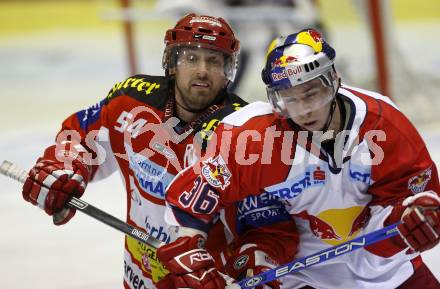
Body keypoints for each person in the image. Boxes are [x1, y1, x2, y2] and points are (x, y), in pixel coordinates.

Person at [20, 13, 297, 289]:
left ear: (228, 70)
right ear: (172, 62)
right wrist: (63, 166)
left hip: (205, 280)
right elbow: (81, 136)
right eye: (191, 58)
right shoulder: (130, 100)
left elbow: (268, 225)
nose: (202, 69)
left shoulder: (246, 131)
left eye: (213, 60)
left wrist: (253, 266)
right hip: (138, 276)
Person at [158, 28, 440, 289]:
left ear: (333, 81)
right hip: (299, 276)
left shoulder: (383, 125)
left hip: (387, 271)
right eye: (289, 99)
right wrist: (188, 243)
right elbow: (193, 199)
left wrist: (412, 219)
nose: (304, 111)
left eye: (311, 94)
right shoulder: (252, 139)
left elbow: (414, 198)